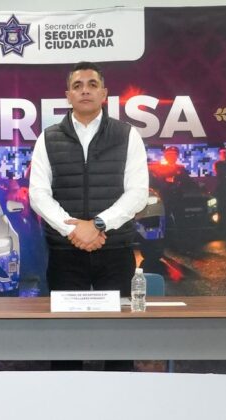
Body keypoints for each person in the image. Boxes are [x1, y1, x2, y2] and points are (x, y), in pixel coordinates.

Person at [29, 61, 148, 371]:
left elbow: (137, 193)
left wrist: (97, 225)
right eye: (78, 86)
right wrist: (73, 231)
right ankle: (65, 399)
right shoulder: (48, 138)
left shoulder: (127, 135)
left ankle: (118, 398)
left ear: (104, 93)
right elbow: (38, 194)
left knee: (119, 345)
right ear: (68, 95)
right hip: (65, 255)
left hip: (115, 251)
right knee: (65, 344)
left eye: (92, 85)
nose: (85, 91)